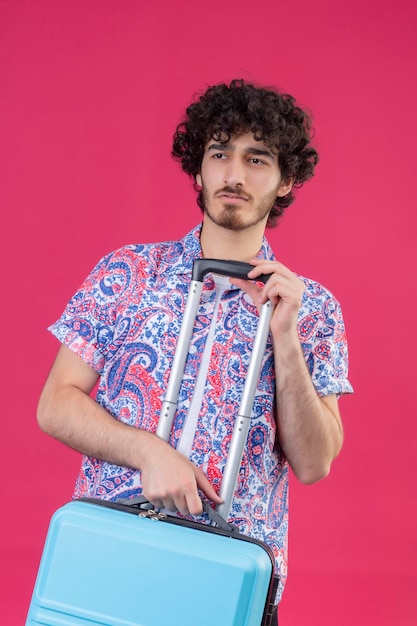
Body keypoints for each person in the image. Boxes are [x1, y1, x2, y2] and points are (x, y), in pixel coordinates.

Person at [37, 79, 353, 622]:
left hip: (226, 580)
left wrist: (286, 337)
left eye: (257, 159)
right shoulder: (128, 272)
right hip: (110, 560)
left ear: (287, 180)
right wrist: (148, 452)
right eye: (219, 153)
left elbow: (314, 462)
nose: (234, 174)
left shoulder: (314, 309)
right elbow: (55, 405)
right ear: (199, 168)